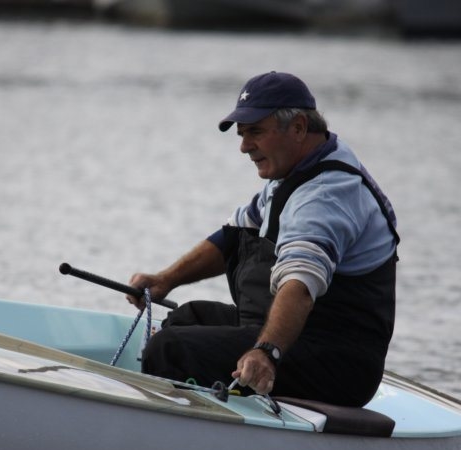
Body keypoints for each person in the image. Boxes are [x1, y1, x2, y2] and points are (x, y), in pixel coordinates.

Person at [128, 71, 399, 407]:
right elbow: (233, 236)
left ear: (298, 128)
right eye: (242, 135)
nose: (244, 147)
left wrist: (266, 352)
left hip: (338, 361)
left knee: (170, 349)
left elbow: (300, 285)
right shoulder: (298, 168)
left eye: (255, 132)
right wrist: (166, 280)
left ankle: (180, 426)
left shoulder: (324, 196)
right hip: (302, 334)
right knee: (187, 318)